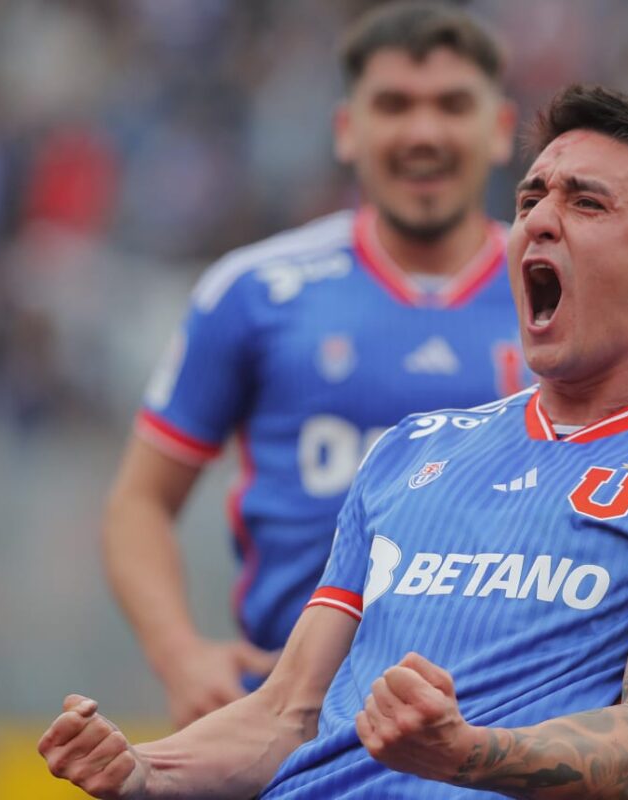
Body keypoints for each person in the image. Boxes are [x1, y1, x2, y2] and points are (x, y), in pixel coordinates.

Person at [40, 84, 628, 799]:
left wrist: (464, 752)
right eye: (530, 196)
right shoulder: (412, 451)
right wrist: (145, 770)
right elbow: (284, 716)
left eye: (587, 203)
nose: (539, 219)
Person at [103, 1, 524, 729]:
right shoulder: (256, 290)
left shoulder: (566, 293)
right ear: (346, 130)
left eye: (453, 105)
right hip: (294, 728)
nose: (423, 131)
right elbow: (136, 504)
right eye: (394, 105)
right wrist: (180, 657)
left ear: (500, 130)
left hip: (508, 726)